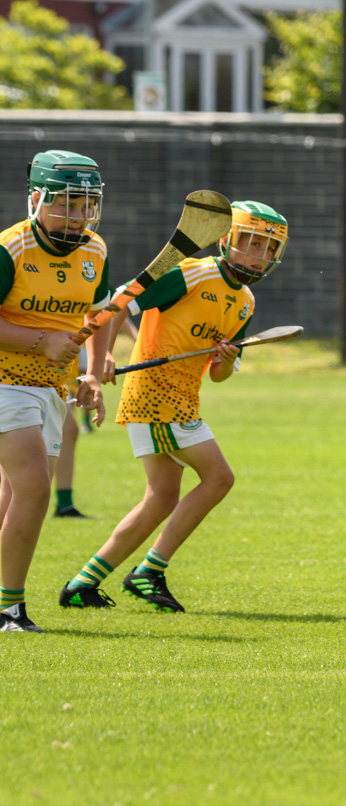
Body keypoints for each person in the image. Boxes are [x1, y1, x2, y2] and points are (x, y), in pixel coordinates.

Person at [57, 201, 288, 613]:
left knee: (161, 498)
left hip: (184, 399)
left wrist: (228, 360)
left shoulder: (245, 303)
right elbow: (119, 304)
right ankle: (149, 571)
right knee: (219, 478)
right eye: (251, 242)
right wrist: (103, 358)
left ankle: (83, 583)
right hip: (155, 397)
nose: (257, 254)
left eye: (267, 248)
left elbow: (218, 375)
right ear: (227, 239)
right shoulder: (191, 274)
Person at [0, 150, 111, 632]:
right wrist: (42, 341)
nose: (78, 214)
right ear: (36, 199)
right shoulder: (11, 249)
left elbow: (100, 313)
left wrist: (91, 371)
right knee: (33, 489)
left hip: (52, 388)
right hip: (4, 379)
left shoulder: (95, 251)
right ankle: (9, 609)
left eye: (86, 203)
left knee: (10, 498)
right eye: (66, 202)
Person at [52, 314, 138, 518]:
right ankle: (63, 505)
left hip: (62, 355)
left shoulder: (92, 286)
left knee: (68, 428)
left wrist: (97, 366)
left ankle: (64, 505)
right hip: (28, 364)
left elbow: (107, 311)